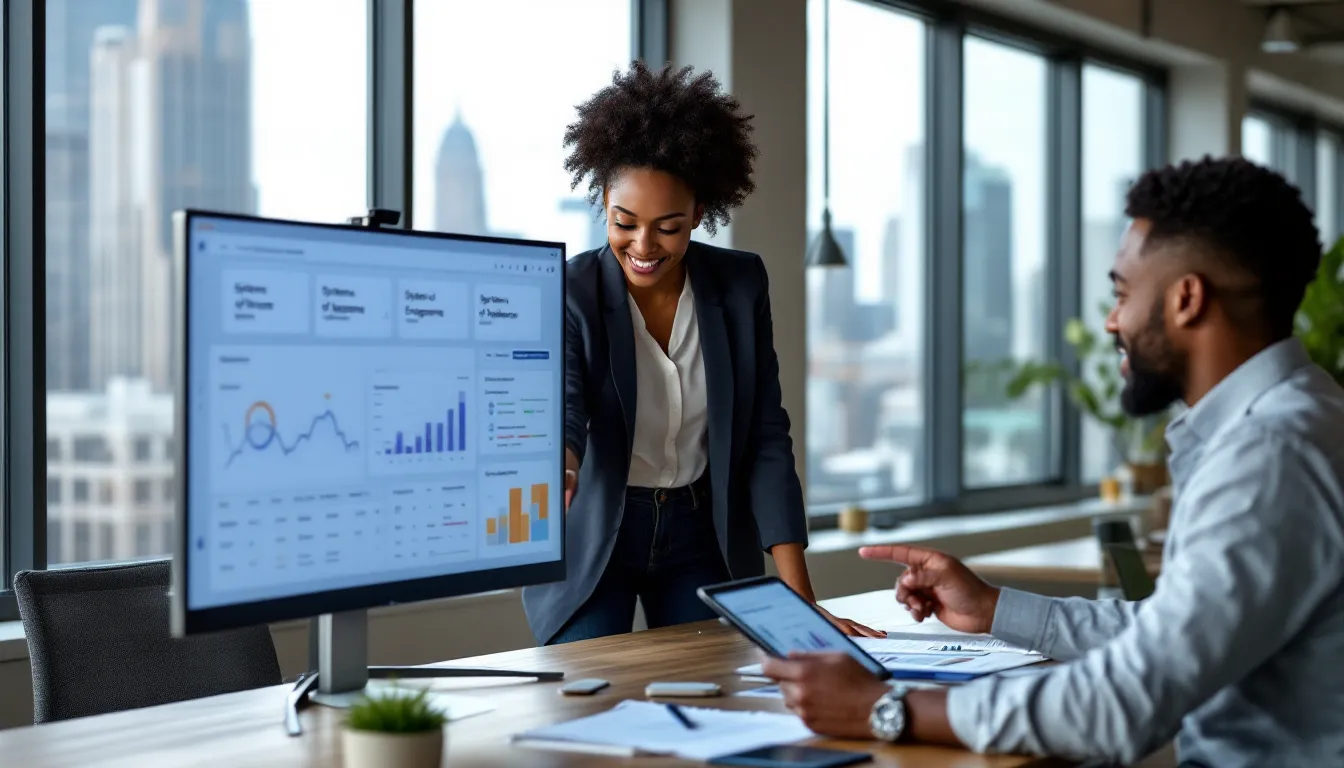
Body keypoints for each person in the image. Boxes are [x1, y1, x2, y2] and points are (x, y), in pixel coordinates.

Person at [761, 156, 1344, 766]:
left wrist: (884, 708)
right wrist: (993, 609)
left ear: (1186, 299)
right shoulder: (1300, 418)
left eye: (1121, 294)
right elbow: (1173, 633)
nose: (1113, 321)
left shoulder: (1270, 454)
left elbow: (1125, 700)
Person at [521, 61, 879, 646]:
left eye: (668, 227)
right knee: (587, 689)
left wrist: (802, 599)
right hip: (597, 537)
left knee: (715, 684)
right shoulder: (571, 290)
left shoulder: (740, 285)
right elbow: (565, 404)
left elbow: (765, 435)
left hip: (699, 533)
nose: (643, 245)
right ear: (604, 201)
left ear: (699, 215)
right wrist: (559, 463)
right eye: (624, 222)